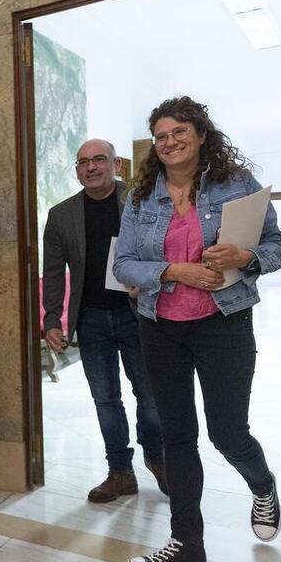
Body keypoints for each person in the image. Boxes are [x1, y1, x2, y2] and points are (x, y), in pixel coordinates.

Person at [114, 96, 281, 562]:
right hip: (159, 327)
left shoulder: (236, 185)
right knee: (177, 437)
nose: (169, 142)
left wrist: (245, 259)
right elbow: (123, 263)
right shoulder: (141, 197)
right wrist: (175, 270)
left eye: (178, 133)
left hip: (224, 324)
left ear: (201, 135)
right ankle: (187, 544)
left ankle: (263, 485)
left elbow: (276, 245)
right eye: (161, 136)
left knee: (228, 432)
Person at [42, 139, 167, 503]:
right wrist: (52, 318)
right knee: (105, 399)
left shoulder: (140, 202)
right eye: (83, 162)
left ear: (116, 165)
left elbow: (163, 250)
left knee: (150, 397)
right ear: (77, 170)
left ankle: (157, 458)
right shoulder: (61, 215)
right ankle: (120, 472)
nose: (91, 167)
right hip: (92, 320)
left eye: (99, 160)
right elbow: (52, 273)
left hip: (139, 316)